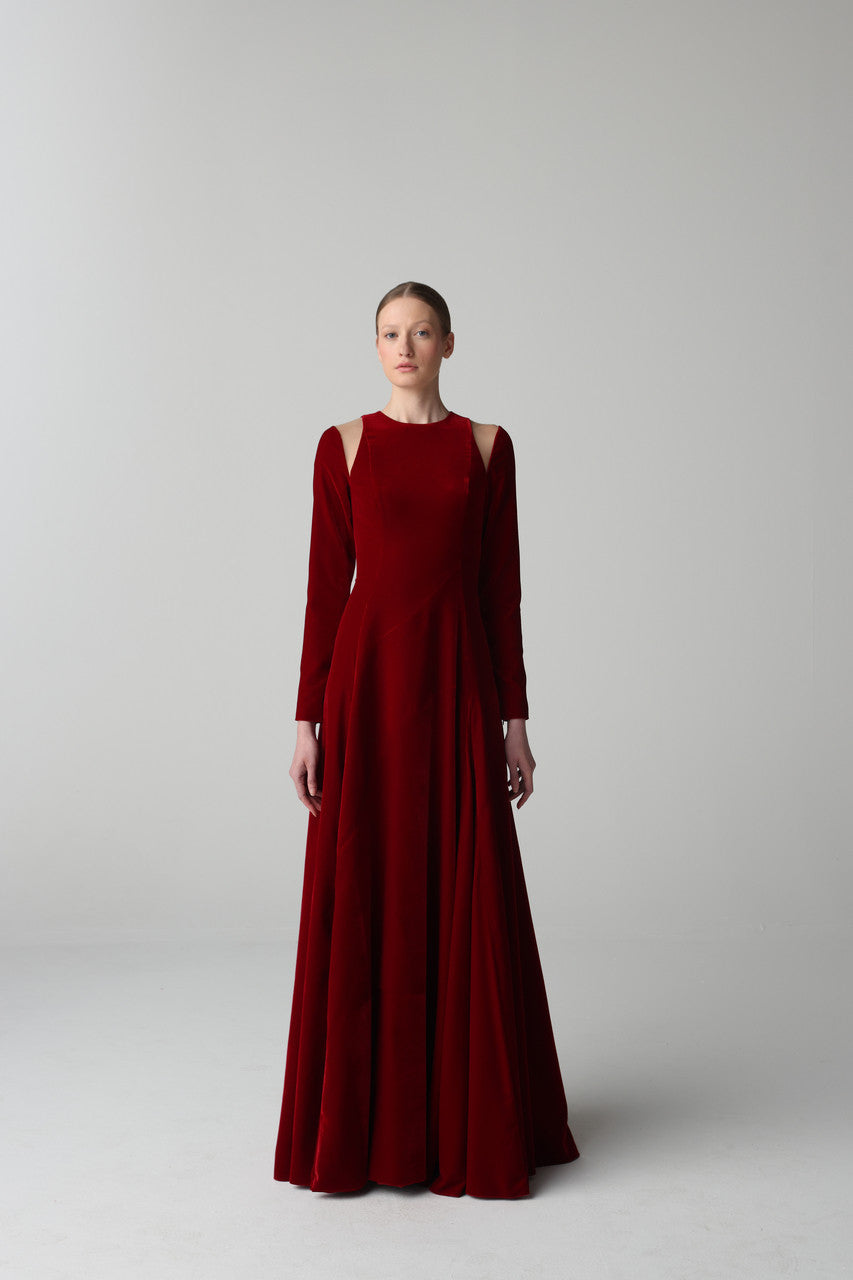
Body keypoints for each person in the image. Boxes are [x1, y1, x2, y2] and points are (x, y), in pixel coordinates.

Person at [273, 281, 580, 1199]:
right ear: (375, 347)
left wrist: (514, 721)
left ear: (449, 343)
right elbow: (324, 590)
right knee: (370, 879)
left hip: (455, 683)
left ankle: (463, 1123)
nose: (403, 346)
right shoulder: (343, 445)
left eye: (420, 332)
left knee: (461, 884)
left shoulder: (485, 447)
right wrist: (306, 720)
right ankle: (363, 1132)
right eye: (388, 333)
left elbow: (500, 591)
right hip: (367, 689)